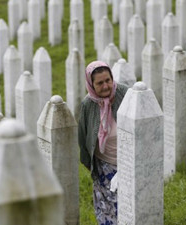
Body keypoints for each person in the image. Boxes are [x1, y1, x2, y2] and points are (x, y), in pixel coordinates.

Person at [78, 61, 128, 225]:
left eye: (108, 80)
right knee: (107, 213)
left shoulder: (125, 94)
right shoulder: (88, 105)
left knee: (128, 210)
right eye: (100, 83)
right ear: (91, 85)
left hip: (127, 163)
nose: (106, 86)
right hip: (103, 167)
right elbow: (83, 136)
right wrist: (90, 165)